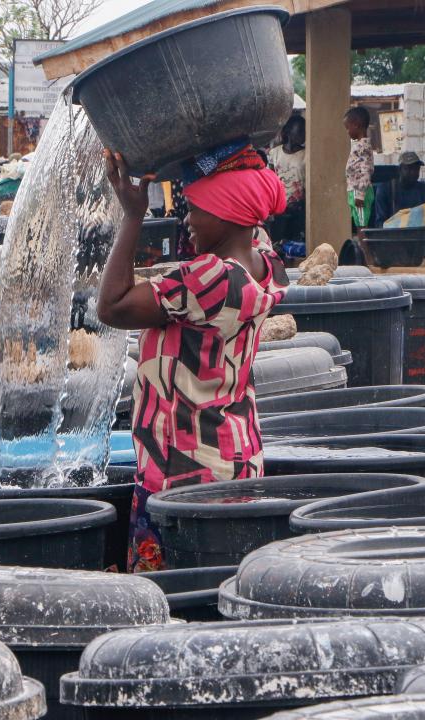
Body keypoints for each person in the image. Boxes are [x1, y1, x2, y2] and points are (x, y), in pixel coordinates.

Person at [96, 146, 288, 573]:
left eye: (196, 209)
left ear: (227, 214)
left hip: (183, 473)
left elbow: (112, 307)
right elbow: (252, 217)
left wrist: (132, 215)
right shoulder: (265, 264)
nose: (187, 220)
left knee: (172, 599)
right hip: (235, 459)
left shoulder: (213, 278)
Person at [268, 115, 306, 245]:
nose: (303, 135)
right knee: (278, 243)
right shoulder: (275, 153)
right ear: (289, 131)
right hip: (280, 208)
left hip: (299, 208)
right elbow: (271, 179)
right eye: (300, 131)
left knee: (296, 242)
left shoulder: (307, 154)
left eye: (304, 131)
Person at [344, 106, 374, 231]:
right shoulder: (359, 145)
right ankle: (363, 248)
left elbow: (365, 171)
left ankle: (365, 250)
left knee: (362, 226)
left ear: (356, 125)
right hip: (354, 190)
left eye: (347, 128)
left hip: (359, 191)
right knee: (358, 223)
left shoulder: (362, 146)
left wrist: (360, 195)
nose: (347, 132)